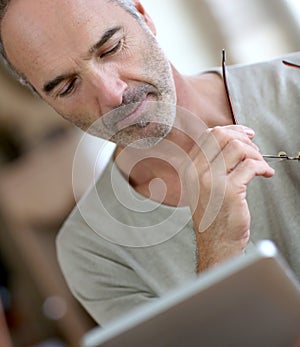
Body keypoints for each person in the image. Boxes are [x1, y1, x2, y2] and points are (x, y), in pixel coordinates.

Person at [0, 0, 299, 326]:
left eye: (111, 48)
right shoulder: (92, 255)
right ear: (44, 99)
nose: (111, 93)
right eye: (68, 86)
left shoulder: (293, 92)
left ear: (143, 16)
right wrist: (218, 252)